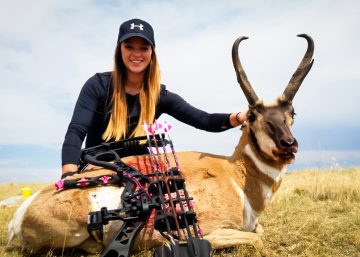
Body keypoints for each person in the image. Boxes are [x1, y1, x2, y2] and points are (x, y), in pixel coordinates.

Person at [61, 18, 247, 179]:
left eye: (143, 48)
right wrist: (69, 173)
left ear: (151, 53)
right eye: (129, 46)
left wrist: (239, 117)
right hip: (98, 168)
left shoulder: (160, 96)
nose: (136, 54)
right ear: (120, 49)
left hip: (140, 171)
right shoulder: (97, 85)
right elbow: (76, 131)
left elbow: (204, 120)